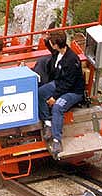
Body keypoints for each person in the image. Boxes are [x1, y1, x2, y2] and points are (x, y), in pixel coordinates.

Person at [37, 30, 85, 159]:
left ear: (56, 45)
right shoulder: (58, 52)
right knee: (40, 93)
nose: (50, 45)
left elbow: (69, 83)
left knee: (58, 106)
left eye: (52, 43)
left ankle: (57, 140)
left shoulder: (72, 60)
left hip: (72, 91)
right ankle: (47, 122)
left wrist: (55, 97)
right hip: (59, 84)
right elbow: (49, 45)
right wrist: (46, 38)